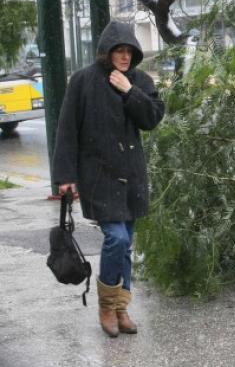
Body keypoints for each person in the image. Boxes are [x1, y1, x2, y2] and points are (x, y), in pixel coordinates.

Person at [52, 21, 164, 338]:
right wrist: (64, 176)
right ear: (107, 52)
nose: (125, 57)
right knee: (118, 239)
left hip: (132, 176)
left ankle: (121, 308)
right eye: (119, 51)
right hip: (98, 176)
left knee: (126, 246)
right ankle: (106, 306)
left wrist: (130, 92)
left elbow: (153, 118)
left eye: (129, 51)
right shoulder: (83, 81)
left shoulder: (139, 80)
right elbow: (67, 130)